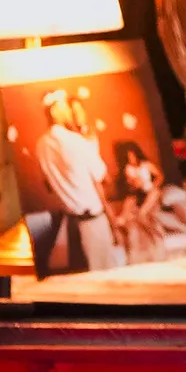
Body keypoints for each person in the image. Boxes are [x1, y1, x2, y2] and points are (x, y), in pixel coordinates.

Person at [33, 89, 123, 273]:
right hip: (93, 221)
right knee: (105, 272)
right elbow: (103, 179)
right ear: (55, 111)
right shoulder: (76, 141)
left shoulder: (40, 146)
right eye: (66, 108)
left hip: (71, 222)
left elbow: (48, 185)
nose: (70, 113)